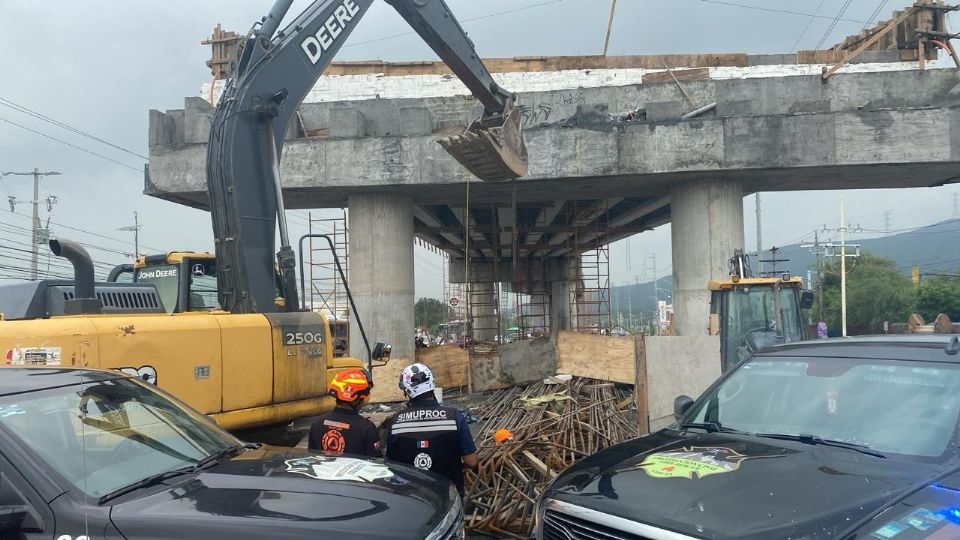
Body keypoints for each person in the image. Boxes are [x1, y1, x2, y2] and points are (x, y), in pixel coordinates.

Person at [383, 363, 478, 494]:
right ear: (432, 383)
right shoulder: (454, 417)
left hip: (410, 498)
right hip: (448, 497)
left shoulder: (395, 422)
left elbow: (391, 466)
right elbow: (471, 461)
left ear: (406, 391)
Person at [307, 368, 381, 458]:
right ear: (356, 400)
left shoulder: (317, 424)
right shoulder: (367, 429)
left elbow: (312, 459)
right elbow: (375, 465)